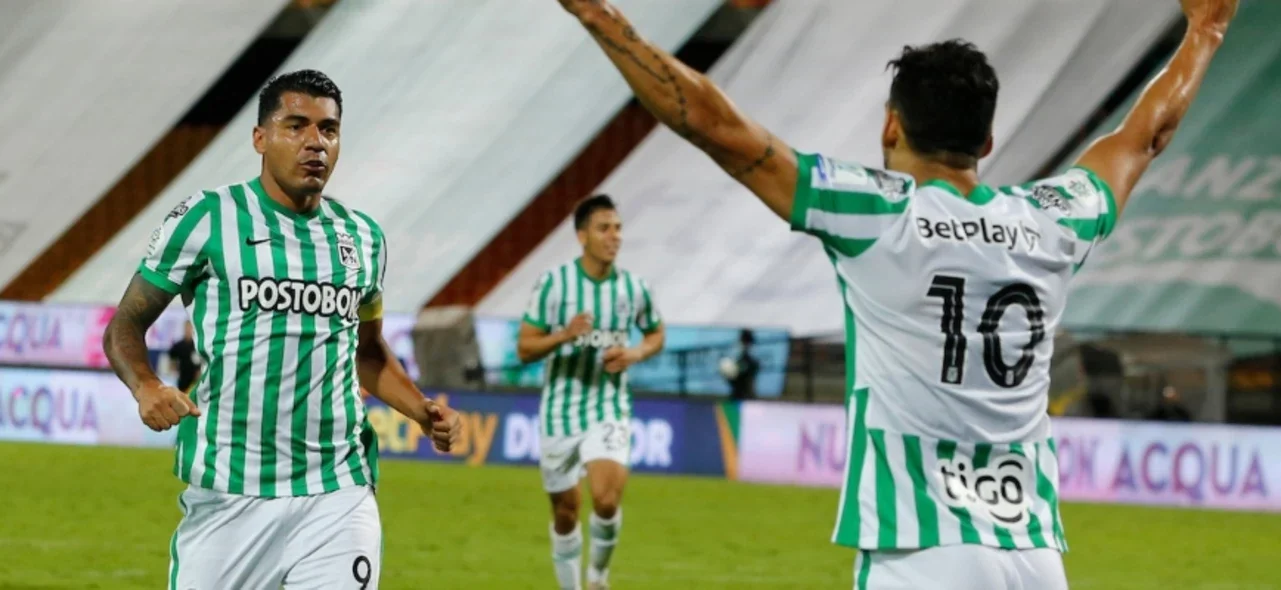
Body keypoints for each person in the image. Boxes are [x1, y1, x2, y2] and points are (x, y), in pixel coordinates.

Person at [553, 0, 1237, 587]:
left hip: (921, 549)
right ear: (987, 139)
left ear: (891, 126)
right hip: (1033, 554)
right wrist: (1205, 30)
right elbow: (1142, 137)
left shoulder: (876, 213)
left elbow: (716, 127)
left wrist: (599, 15)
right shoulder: (1051, 218)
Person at [101, 69, 462, 590]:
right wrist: (146, 385)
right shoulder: (207, 219)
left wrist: (422, 411)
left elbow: (367, 351)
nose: (316, 142)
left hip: (337, 493)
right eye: (296, 126)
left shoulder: (363, 238)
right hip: (230, 495)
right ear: (260, 138)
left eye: (329, 130)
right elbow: (124, 327)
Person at [516, 194, 666, 590]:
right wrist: (565, 334)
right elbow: (525, 348)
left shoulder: (634, 288)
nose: (614, 236)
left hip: (608, 405)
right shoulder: (554, 284)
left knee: (606, 499)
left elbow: (656, 333)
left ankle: (597, 576)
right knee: (566, 512)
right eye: (604, 228)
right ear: (582, 236)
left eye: (618, 228)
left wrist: (635, 352)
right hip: (560, 411)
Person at [166, 322, 202, 394]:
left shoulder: (196, 345)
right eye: (187, 328)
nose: (188, 330)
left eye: (190, 328)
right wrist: (173, 368)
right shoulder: (178, 345)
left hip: (194, 380)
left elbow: (200, 361)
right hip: (182, 378)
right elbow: (171, 358)